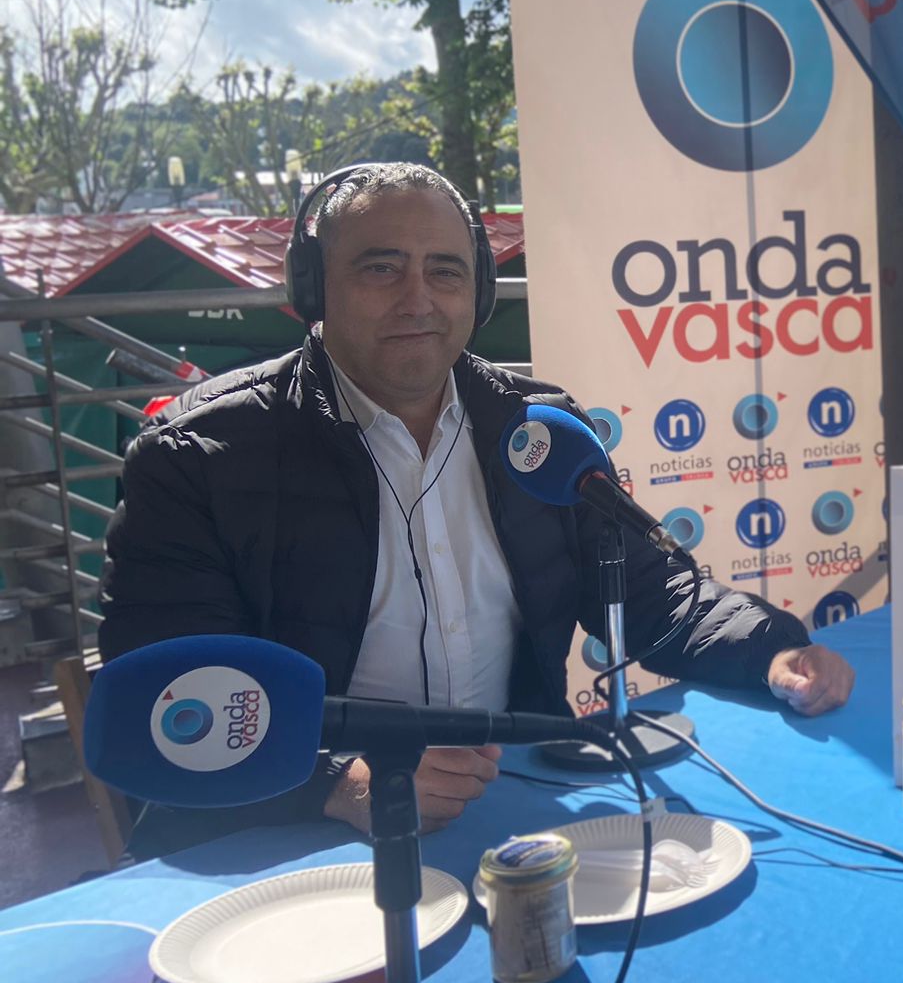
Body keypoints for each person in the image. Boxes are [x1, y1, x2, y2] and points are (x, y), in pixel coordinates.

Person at [99, 162, 855, 856]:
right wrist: (342, 783)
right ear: (313, 289)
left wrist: (769, 650)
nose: (418, 300)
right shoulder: (196, 458)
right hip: (298, 836)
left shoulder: (540, 433)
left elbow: (655, 593)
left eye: (445, 272)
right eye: (380, 268)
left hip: (521, 814)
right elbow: (177, 699)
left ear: (479, 293)